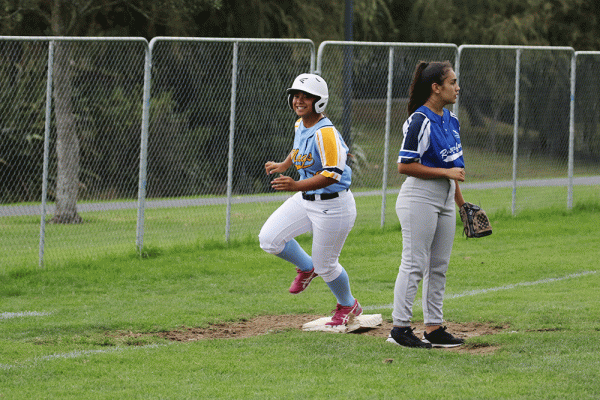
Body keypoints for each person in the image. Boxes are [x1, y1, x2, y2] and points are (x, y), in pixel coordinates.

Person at [258, 73, 361, 327]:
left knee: (327, 266)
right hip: (306, 198)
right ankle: (307, 267)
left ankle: (348, 305)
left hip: (333, 204)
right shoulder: (300, 124)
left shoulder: (325, 132)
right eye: (296, 95)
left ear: (320, 101)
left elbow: (332, 174)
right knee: (269, 239)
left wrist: (294, 184)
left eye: (306, 96)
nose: (299, 100)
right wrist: (284, 164)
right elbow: (298, 148)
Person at [386, 61, 467, 348]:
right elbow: (404, 165)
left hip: (445, 197)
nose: (457, 88)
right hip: (419, 197)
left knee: (439, 265)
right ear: (436, 87)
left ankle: (433, 328)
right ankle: (400, 328)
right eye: (452, 82)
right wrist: (446, 174)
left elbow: (453, 167)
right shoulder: (420, 120)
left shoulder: (451, 119)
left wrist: (461, 205)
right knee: (414, 263)